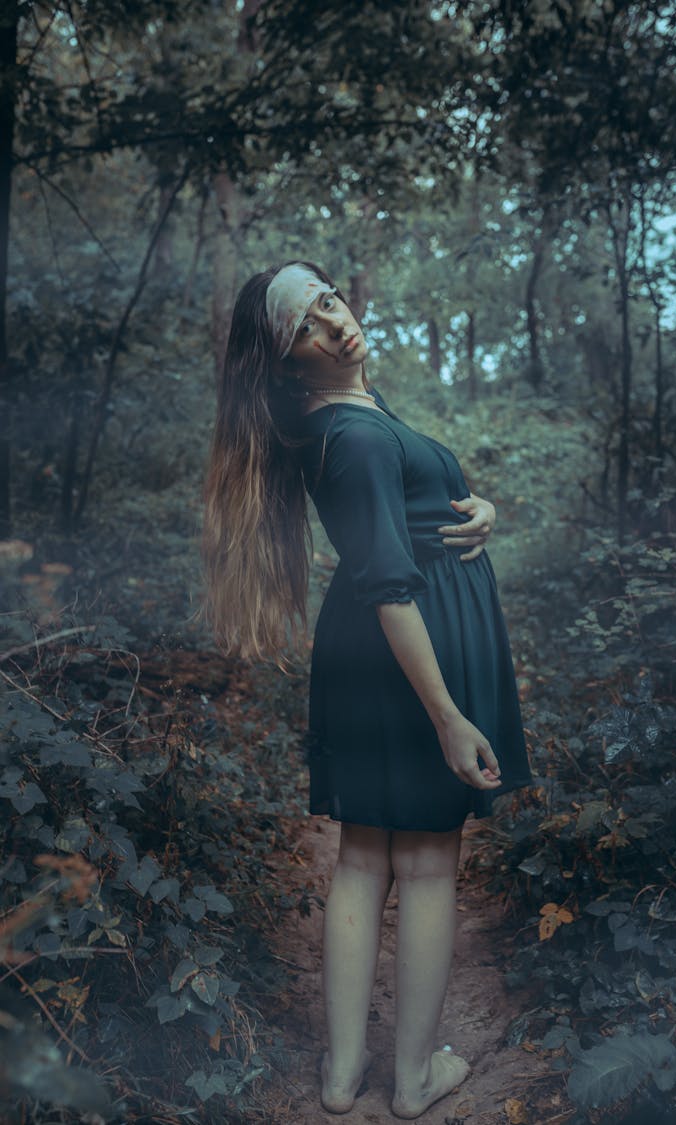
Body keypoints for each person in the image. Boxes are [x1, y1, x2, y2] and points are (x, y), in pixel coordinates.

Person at [202, 260, 533, 1119]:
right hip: (403, 652)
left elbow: (414, 512)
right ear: (289, 362)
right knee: (423, 862)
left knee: (362, 856)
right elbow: (391, 585)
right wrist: (450, 715)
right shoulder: (349, 434)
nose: (334, 322)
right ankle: (415, 1080)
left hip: (374, 647)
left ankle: (343, 1078)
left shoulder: (355, 416)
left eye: (329, 301)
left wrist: (480, 505)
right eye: (308, 325)